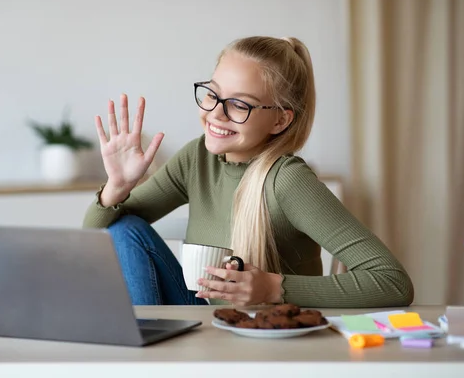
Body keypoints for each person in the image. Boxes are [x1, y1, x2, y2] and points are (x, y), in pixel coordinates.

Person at [83, 36, 414, 308]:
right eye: (213, 94)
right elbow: (100, 236)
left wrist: (273, 289)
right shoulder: (197, 157)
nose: (216, 113)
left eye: (239, 104)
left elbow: (391, 281)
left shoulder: (288, 181)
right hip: (209, 325)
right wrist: (117, 187)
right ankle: (150, 358)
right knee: (124, 227)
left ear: (280, 120)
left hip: (269, 339)